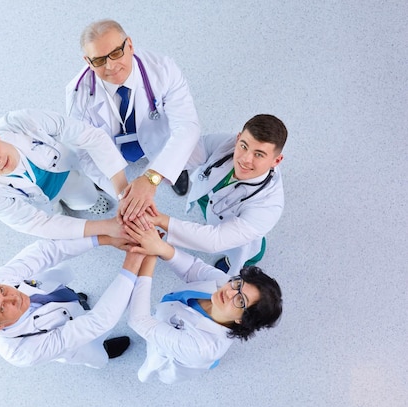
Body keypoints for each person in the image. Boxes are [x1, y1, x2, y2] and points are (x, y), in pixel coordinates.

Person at [66, 19, 201, 222]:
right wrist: (124, 195)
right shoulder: (78, 95)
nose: (110, 66)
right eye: (99, 60)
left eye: (115, 53)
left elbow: (187, 127)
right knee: (102, 169)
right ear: (88, 61)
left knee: (173, 162)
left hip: (160, 142)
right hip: (112, 150)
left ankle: (172, 171)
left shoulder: (163, 70)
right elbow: (85, 153)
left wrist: (153, 177)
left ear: (129, 45)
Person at [124, 222, 282, 384]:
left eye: (240, 300)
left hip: (182, 355)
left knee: (165, 357)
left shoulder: (200, 347)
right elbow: (193, 269)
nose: (229, 292)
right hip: (188, 333)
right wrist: (159, 247)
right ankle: (212, 361)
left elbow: (139, 321)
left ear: (242, 320)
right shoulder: (228, 285)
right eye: (239, 284)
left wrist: (149, 258)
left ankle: (209, 361)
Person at [0, 235, 146, 368]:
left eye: (2, 290)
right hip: (74, 341)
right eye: (2, 308)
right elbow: (97, 322)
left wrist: (105, 238)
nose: (13, 296)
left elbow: (46, 251)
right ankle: (104, 348)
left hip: (54, 294)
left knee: (74, 299)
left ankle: (75, 301)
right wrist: (132, 264)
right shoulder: (23, 352)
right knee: (95, 349)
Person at [0, 109, 130, 239]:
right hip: (40, 202)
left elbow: (89, 136)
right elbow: (36, 224)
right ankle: (58, 210)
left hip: (64, 175)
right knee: (55, 217)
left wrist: (123, 192)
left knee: (87, 197)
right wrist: (105, 227)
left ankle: (88, 202)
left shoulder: (21, 122)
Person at [143, 114, 288, 274]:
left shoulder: (268, 206)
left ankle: (240, 262)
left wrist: (159, 219)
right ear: (238, 138)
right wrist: (149, 180)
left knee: (246, 250)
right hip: (210, 196)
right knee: (208, 210)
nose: (245, 159)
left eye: (259, 154)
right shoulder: (226, 143)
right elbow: (183, 154)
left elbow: (215, 240)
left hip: (235, 230)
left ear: (276, 160)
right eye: (244, 146)